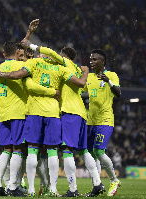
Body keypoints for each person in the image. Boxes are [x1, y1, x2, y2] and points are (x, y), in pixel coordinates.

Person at [21, 19, 105, 197]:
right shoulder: (75, 67)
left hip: (68, 112)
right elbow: (83, 87)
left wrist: (31, 43)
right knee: (83, 150)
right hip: (82, 113)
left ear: (63, 56)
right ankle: (97, 183)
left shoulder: (63, 64)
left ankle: (73, 189)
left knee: (66, 151)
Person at [0, 46, 89, 197]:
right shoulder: (60, 68)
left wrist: (2, 74)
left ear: (40, 55)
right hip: (53, 113)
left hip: (34, 112)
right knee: (52, 152)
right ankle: (52, 188)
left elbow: (19, 76)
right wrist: (85, 73)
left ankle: (30, 189)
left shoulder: (33, 64)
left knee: (32, 149)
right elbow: (80, 83)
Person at [0, 41, 57, 196]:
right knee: (19, 149)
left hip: (2, 115)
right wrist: (52, 92)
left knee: (6, 150)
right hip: (19, 113)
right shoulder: (22, 68)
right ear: (17, 53)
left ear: (4, 54)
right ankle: (12, 186)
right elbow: (31, 85)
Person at [82, 49, 121, 197]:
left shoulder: (111, 75)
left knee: (99, 151)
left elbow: (118, 94)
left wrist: (108, 82)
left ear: (102, 61)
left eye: (94, 60)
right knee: (91, 154)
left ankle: (114, 180)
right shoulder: (90, 77)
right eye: (90, 60)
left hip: (105, 120)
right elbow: (80, 88)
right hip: (90, 121)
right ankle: (97, 185)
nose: (91, 62)